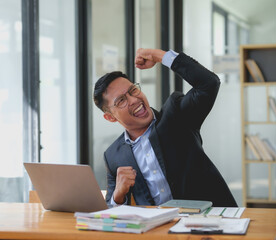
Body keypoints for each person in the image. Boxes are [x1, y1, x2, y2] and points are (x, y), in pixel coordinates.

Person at [93, 48, 237, 207]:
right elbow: (110, 208)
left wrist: (160, 56)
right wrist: (118, 195)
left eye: (133, 90)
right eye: (121, 100)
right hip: (160, 229)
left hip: (214, 219)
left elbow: (208, 83)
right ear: (110, 117)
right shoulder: (113, 155)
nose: (133, 100)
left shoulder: (177, 116)